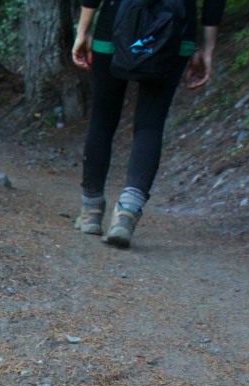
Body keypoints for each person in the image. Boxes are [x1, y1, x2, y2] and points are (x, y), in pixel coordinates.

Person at [71, 0, 225, 248]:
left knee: (102, 119)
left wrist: (83, 31)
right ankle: (127, 212)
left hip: (113, 23)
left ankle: (91, 211)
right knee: (151, 124)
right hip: (175, 30)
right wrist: (207, 49)